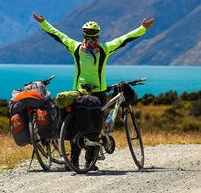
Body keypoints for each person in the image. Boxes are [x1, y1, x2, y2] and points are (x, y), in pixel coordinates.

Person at [32, 13, 154, 170]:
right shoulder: (104, 49)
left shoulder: (75, 48)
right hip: (98, 93)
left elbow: (58, 36)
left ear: (83, 34)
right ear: (98, 34)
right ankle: (91, 161)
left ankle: (74, 161)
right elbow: (125, 39)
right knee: (95, 125)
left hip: (79, 92)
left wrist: (44, 23)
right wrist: (142, 28)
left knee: (75, 124)